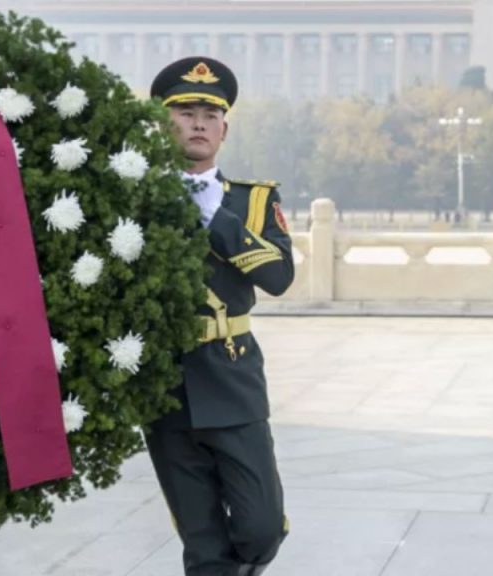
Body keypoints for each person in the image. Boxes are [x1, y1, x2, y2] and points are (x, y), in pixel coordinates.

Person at [145, 56, 295, 576]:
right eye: (185, 111)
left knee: (261, 528)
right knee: (204, 544)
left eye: (210, 113)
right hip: (166, 385)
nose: (199, 121)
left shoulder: (253, 202)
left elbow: (278, 278)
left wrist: (215, 216)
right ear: (164, 124)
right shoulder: (137, 198)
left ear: (224, 129)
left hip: (232, 378)